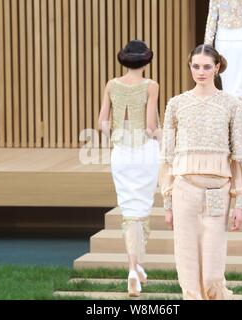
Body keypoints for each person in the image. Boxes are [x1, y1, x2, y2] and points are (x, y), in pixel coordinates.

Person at [159, 44, 242, 300]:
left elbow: (240, 154)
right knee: (188, 264)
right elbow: (168, 156)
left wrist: (240, 203)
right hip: (184, 189)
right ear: (190, 67)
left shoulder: (231, 104)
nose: (201, 72)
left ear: (217, 67)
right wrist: (167, 204)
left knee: (212, 271)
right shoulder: (176, 104)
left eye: (207, 67)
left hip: (217, 191)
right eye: (196, 66)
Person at [98, 40, 161, 297]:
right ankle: (135, 268)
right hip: (145, 151)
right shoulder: (151, 86)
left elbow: (102, 122)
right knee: (142, 207)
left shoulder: (112, 84)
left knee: (129, 209)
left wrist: (116, 131)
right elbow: (149, 126)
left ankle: (134, 268)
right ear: (146, 62)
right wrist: (164, 133)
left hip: (121, 151)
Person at [204, 0, 242, 101]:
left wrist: (207, 49)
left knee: (227, 87)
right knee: (240, 89)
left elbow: (211, 20)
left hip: (223, 42)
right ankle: (236, 114)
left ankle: (231, 114)